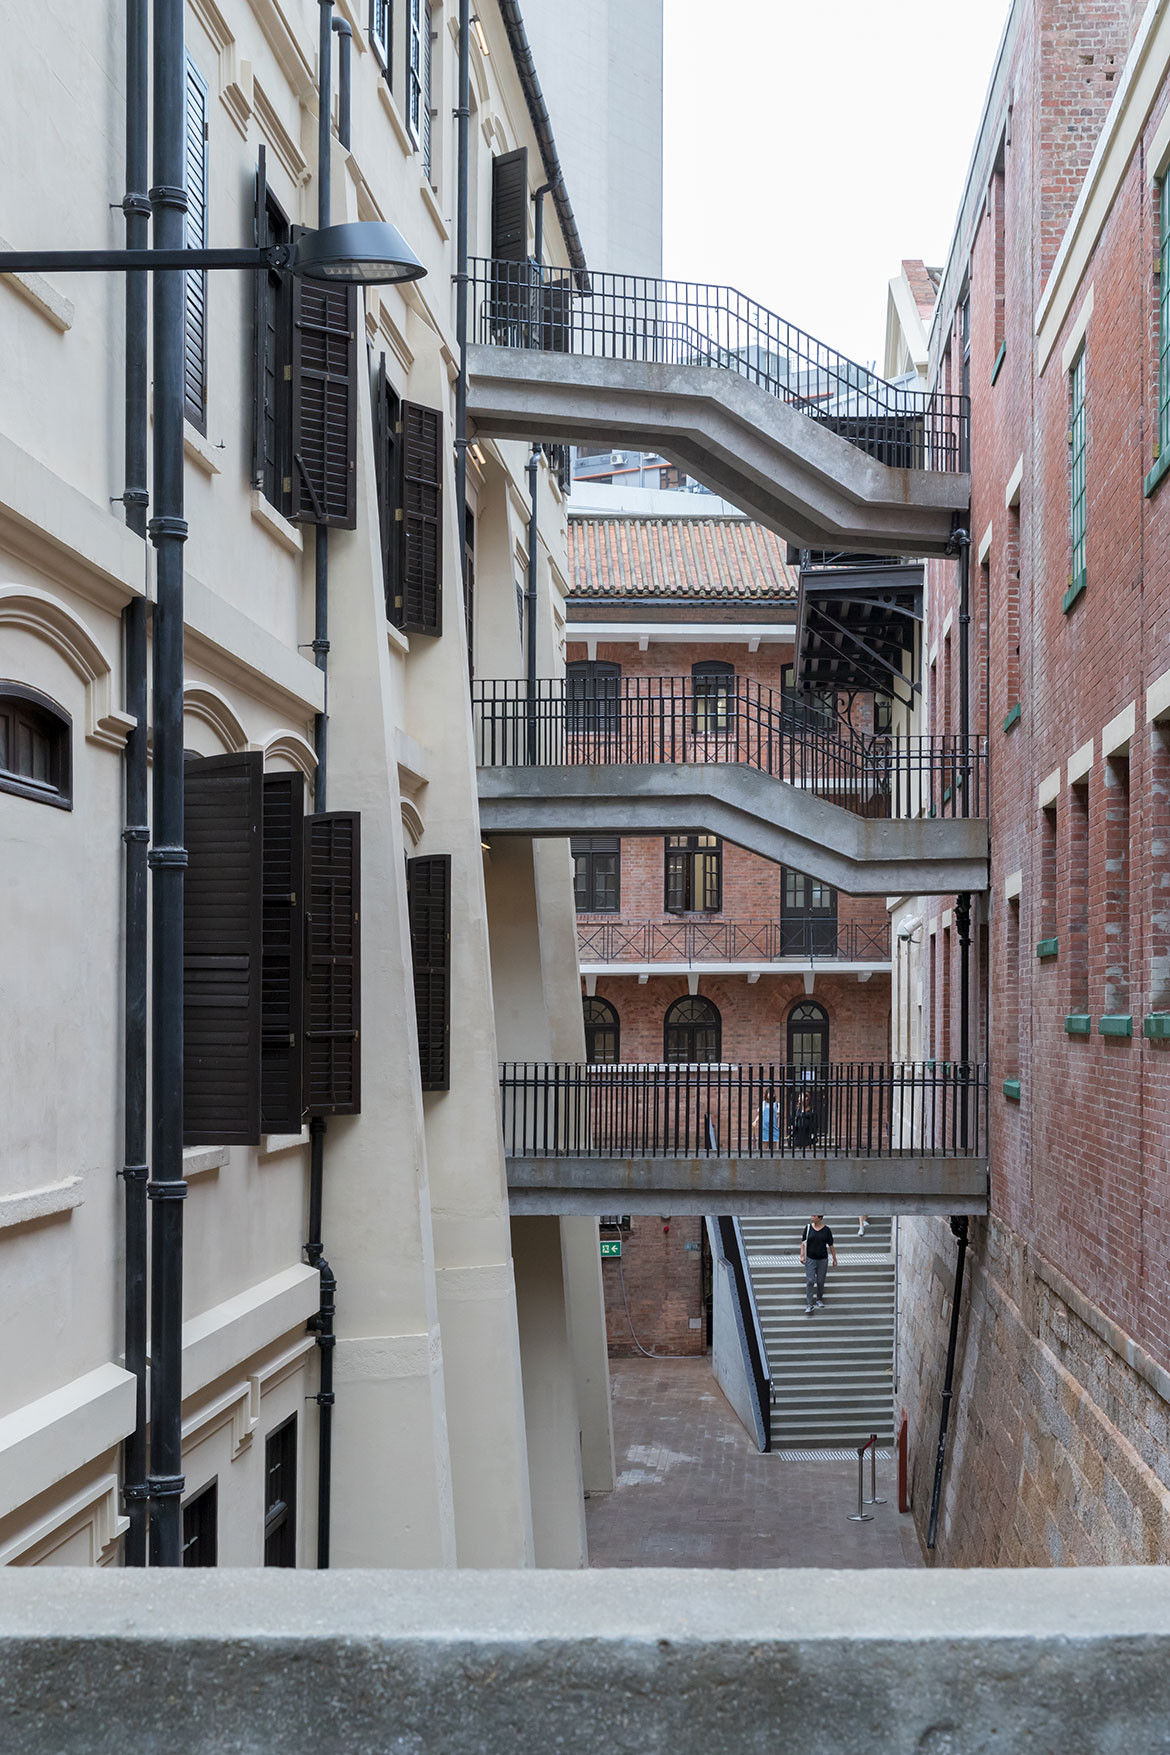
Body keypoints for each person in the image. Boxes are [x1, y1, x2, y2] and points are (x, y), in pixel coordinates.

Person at [800, 1214, 837, 1315]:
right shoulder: (808, 1228)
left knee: (820, 1280)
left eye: (814, 1215)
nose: (812, 1217)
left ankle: (819, 1299)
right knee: (810, 1280)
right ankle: (809, 1304)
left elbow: (831, 1245)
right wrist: (802, 1255)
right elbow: (803, 1242)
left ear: (820, 1218)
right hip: (810, 1259)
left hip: (822, 1259)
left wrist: (834, 1258)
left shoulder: (826, 1230)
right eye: (811, 1215)